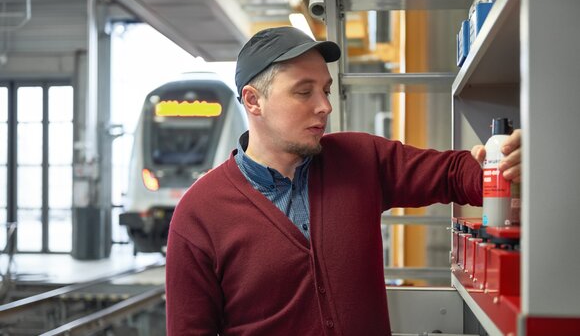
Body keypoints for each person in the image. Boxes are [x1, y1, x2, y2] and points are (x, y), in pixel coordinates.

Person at [165, 26, 522, 335]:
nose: (324, 106)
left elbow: (454, 173)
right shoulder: (199, 213)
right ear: (253, 101)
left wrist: (504, 163)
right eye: (304, 92)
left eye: (326, 90)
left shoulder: (361, 159)